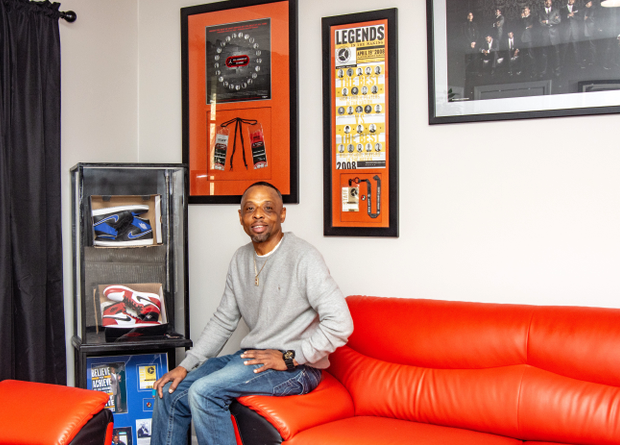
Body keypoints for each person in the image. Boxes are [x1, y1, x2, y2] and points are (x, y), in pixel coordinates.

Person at [151, 182, 354, 445]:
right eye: (250, 208)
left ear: (282, 214)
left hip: (297, 369)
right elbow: (224, 320)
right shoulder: (240, 259)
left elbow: (340, 323)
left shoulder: (304, 257)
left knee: (204, 392)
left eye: (268, 208)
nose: (258, 215)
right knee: (170, 392)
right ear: (241, 217)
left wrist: (292, 358)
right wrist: (185, 365)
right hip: (252, 358)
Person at [538, 0, 562, 76]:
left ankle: (557, 70)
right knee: (544, 54)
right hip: (544, 36)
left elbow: (558, 20)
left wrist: (547, 22)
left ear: (551, 2)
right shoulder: (540, 12)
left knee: (556, 54)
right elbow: (540, 23)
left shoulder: (556, 10)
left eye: (549, 1)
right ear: (544, 2)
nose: (547, 3)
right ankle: (543, 71)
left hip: (554, 36)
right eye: (546, 1)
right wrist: (552, 21)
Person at [560, 0, 583, 68]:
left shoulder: (577, 8)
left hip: (575, 31)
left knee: (576, 47)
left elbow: (580, 18)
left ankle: (578, 62)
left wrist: (573, 16)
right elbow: (560, 19)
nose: (571, 0)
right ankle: (562, 64)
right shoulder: (562, 9)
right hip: (565, 31)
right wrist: (567, 15)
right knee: (564, 48)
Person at [520, 6, 537, 76]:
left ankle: (533, 71)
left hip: (529, 39)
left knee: (531, 55)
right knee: (523, 56)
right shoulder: (522, 18)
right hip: (522, 39)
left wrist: (524, 19)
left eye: (526, 11)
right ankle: (525, 71)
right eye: (524, 11)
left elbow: (526, 25)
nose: (524, 12)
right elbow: (521, 26)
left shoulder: (532, 17)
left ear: (529, 11)